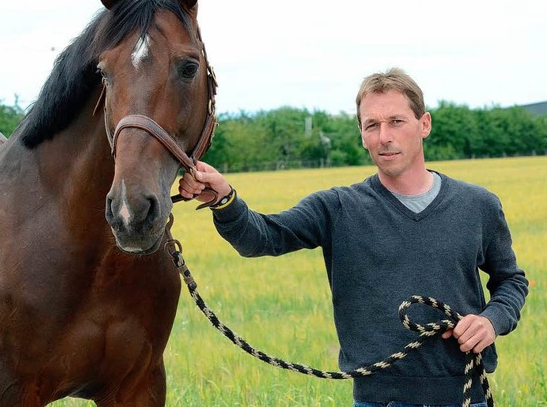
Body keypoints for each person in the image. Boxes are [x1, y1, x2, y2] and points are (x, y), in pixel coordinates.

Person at [177, 67, 529, 407]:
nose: (384, 136)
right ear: (361, 134)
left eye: (396, 121)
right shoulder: (337, 207)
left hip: (465, 394)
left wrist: (491, 321)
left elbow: (511, 280)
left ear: (424, 124)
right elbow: (263, 237)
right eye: (371, 125)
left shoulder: (477, 205)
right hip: (378, 398)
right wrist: (225, 199)